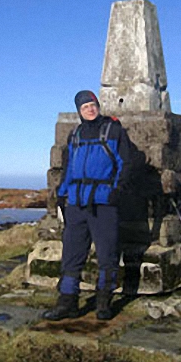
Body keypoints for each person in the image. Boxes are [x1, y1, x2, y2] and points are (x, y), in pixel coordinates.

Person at [43, 90, 134, 321]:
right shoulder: (76, 134)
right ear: (79, 111)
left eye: (93, 105)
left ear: (98, 106)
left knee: (107, 255)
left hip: (103, 202)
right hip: (76, 203)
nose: (90, 109)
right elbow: (68, 168)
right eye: (85, 107)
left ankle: (103, 302)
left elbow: (127, 162)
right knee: (72, 255)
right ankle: (67, 303)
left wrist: (117, 191)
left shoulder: (113, 130)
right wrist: (62, 196)